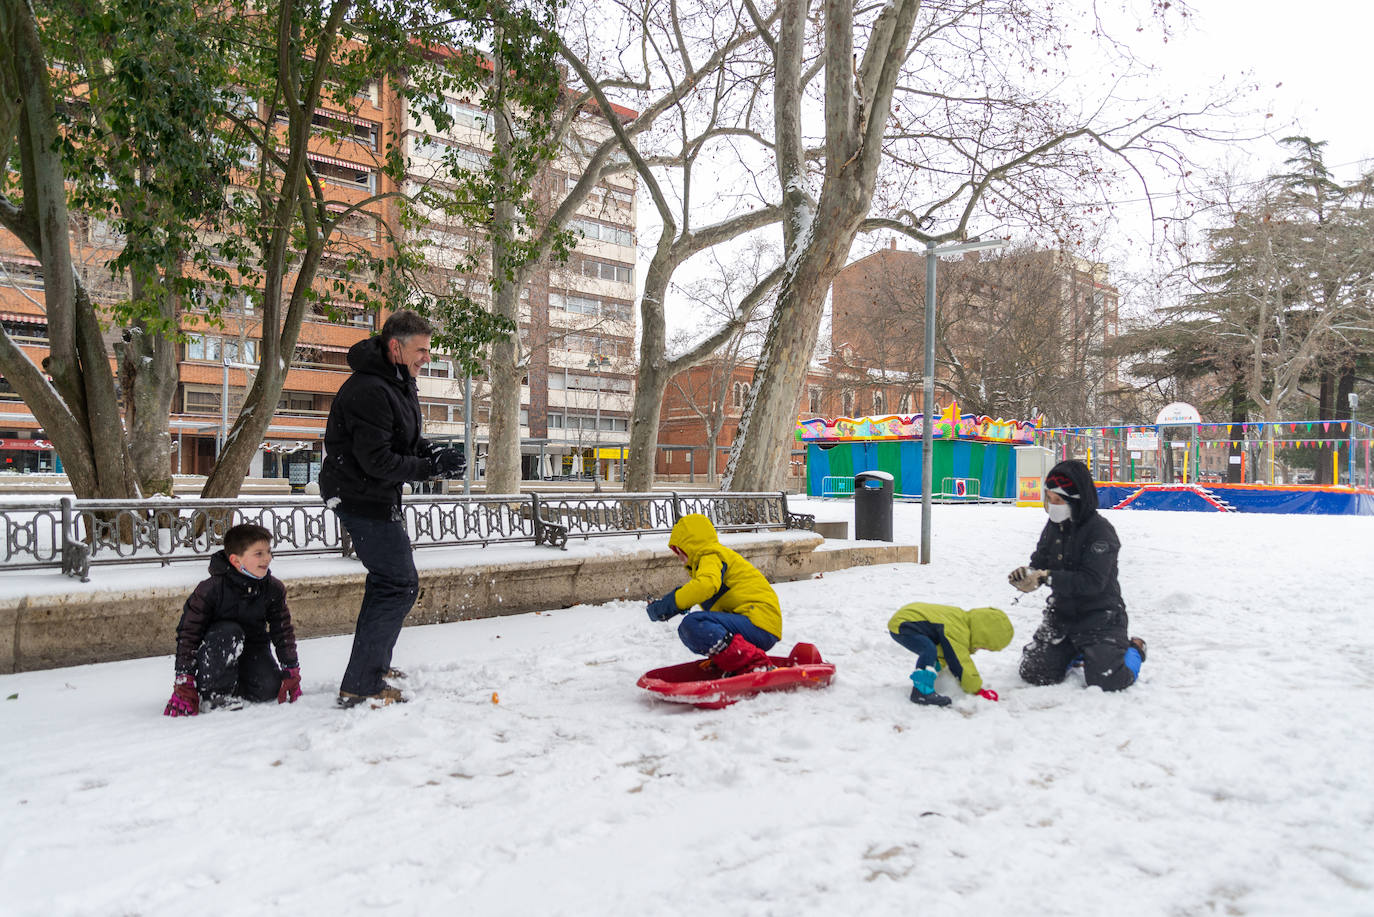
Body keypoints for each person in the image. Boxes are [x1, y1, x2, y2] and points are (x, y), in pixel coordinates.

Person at [319, 310, 463, 708]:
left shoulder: (398, 383)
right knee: (398, 583)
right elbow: (377, 461)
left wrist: (433, 452)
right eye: (420, 350)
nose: (426, 358)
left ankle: (370, 667)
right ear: (395, 346)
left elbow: (403, 439)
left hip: (374, 495)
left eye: (428, 350)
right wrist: (428, 468)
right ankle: (362, 684)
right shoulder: (370, 389)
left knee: (389, 583)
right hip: (360, 496)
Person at [1009, 459, 1147, 692]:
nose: (1053, 506)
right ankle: (1072, 653)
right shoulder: (1054, 526)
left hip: (1100, 617)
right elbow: (1040, 562)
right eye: (1050, 499)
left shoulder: (1100, 532)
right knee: (1033, 672)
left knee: (1107, 679)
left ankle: (1135, 649)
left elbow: (1092, 582)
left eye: (1059, 500)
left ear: (1076, 500)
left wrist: (1046, 576)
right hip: (1061, 616)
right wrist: (1027, 577)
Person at [163, 523, 301, 716]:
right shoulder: (211, 589)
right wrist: (184, 678)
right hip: (217, 650)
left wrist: (291, 668)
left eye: (269, 552)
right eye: (259, 553)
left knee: (268, 689)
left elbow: (282, 629)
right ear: (236, 561)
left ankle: (237, 683)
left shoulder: (273, 588)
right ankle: (214, 693)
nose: (267, 558)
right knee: (229, 632)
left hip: (253, 647)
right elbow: (189, 633)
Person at [645, 513, 782, 675]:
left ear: (689, 546)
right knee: (694, 627)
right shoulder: (712, 560)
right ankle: (733, 659)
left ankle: (753, 662)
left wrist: (668, 605)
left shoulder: (710, 555)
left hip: (757, 622)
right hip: (757, 625)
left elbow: (705, 586)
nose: (679, 557)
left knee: (694, 625)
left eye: (678, 550)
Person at [887, 602, 1012, 706]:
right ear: (983, 634)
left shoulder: (960, 620)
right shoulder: (958, 630)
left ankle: (928, 679)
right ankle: (921, 692)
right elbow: (959, 661)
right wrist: (976, 689)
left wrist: (936, 667)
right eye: (984, 646)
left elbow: (944, 652)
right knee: (928, 649)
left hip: (910, 619)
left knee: (934, 650)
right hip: (904, 623)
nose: (979, 648)